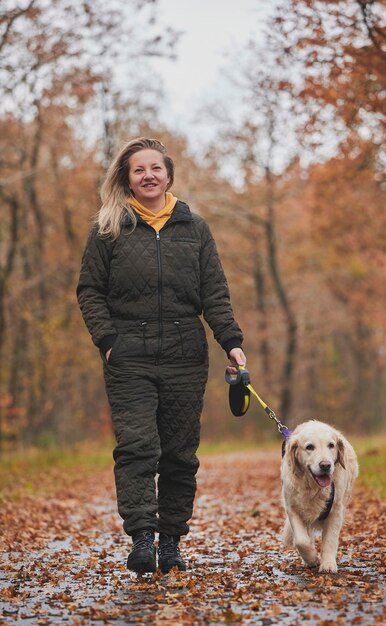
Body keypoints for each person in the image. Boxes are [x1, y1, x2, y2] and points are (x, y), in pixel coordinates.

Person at [76, 137, 246, 575]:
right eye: (139, 169)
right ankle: (142, 539)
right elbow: (90, 290)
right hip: (128, 356)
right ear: (127, 178)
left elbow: (215, 293)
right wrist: (107, 339)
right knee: (137, 448)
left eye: (155, 168)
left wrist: (231, 341)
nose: (148, 175)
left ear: (169, 174)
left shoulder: (196, 228)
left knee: (179, 453)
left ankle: (170, 540)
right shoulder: (109, 227)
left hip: (184, 356)